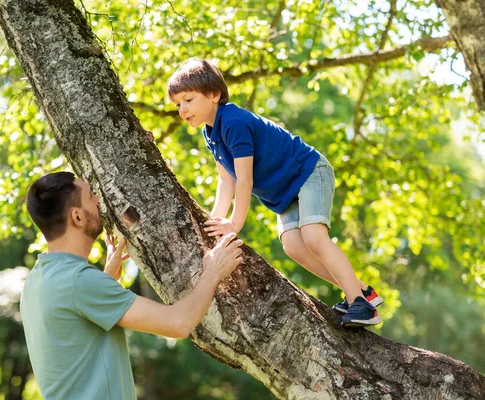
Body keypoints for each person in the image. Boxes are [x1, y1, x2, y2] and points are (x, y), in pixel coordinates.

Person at [166, 58, 383, 328]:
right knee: (294, 246)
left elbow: (245, 179)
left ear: (214, 94)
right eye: (177, 105)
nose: (183, 109)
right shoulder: (210, 133)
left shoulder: (233, 122)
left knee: (314, 236)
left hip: (307, 172)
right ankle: (364, 292)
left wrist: (234, 224)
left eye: (188, 100)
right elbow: (226, 181)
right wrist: (213, 225)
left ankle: (361, 306)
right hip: (285, 192)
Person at [20, 171, 243, 400]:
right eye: (91, 196)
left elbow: (75, 334)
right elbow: (179, 323)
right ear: (77, 217)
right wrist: (213, 270)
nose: (99, 200)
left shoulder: (35, 281)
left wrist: (106, 279)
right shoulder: (80, 282)